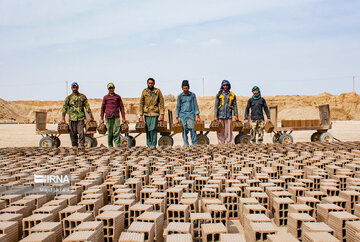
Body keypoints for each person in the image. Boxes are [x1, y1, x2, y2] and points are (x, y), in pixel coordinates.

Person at [61, 82, 94, 147]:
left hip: (80, 118)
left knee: (81, 133)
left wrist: (91, 116)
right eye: (73, 87)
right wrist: (63, 118)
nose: (75, 88)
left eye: (76, 87)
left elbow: (87, 107)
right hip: (72, 118)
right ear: (71, 88)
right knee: (72, 134)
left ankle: (81, 146)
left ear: (78, 87)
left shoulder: (82, 97)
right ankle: (74, 147)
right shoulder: (69, 98)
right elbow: (64, 108)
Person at [139, 78, 165, 148]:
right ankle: (148, 145)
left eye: (152, 83)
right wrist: (140, 115)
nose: (150, 84)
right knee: (148, 130)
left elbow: (161, 103)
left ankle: (153, 145)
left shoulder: (157, 91)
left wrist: (162, 114)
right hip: (147, 113)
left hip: (155, 113)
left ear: (154, 84)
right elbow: (141, 103)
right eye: (149, 83)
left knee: (153, 129)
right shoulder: (144, 91)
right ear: (147, 83)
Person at [100, 82, 127, 148]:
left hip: (116, 116)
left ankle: (117, 146)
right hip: (108, 117)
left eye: (112, 88)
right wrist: (101, 118)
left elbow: (122, 107)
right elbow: (102, 108)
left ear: (114, 88)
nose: (111, 89)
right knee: (110, 132)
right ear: (108, 89)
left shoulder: (118, 97)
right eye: (109, 88)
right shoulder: (105, 97)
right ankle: (110, 146)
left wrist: (123, 117)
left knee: (116, 132)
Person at [176, 80, 200, 146]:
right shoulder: (180, 96)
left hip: (191, 115)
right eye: (184, 88)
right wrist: (177, 117)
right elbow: (178, 107)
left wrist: (197, 115)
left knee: (193, 130)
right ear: (182, 88)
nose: (185, 89)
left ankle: (194, 144)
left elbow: (195, 105)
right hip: (183, 116)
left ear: (189, 88)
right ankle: (186, 144)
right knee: (184, 131)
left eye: (186, 88)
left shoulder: (192, 95)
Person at [214, 80, 239, 144]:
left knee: (228, 130)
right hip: (220, 114)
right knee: (220, 130)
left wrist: (236, 115)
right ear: (222, 86)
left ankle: (229, 143)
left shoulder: (232, 95)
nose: (225, 87)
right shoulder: (219, 95)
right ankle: (221, 142)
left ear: (229, 86)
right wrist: (215, 115)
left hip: (229, 115)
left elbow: (235, 106)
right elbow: (216, 105)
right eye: (224, 85)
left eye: (227, 85)